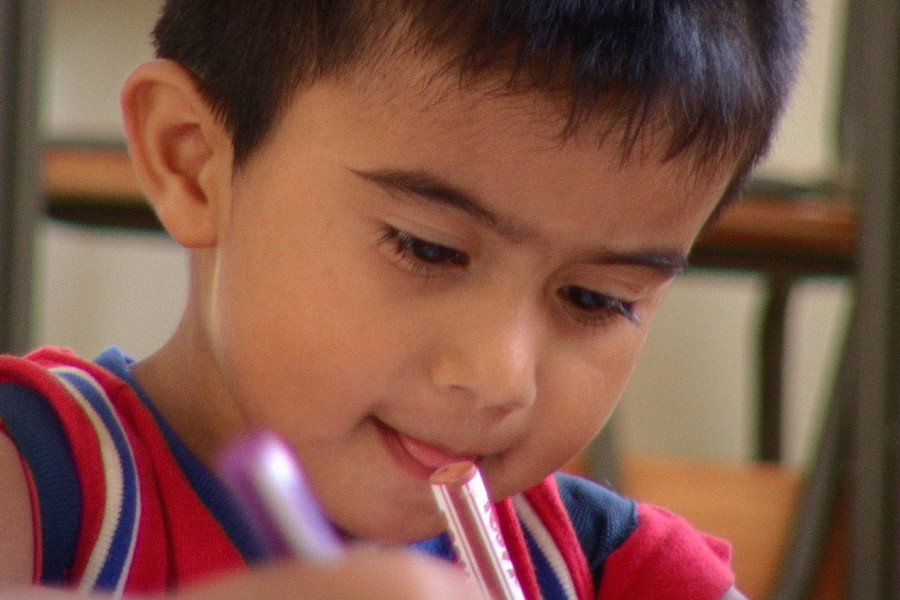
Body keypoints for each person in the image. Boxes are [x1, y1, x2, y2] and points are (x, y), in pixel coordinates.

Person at [0, 1, 807, 598]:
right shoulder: (37, 477)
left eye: (596, 299)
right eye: (427, 248)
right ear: (194, 163)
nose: (500, 376)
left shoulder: (607, 571)